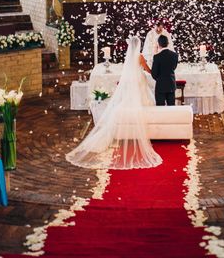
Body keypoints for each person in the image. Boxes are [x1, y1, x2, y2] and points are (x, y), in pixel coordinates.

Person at [66, 36, 161, 170]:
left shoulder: (129, 56)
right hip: (138, 79)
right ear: (138, 45)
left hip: (129, 80)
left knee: (127, 99)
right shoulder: (139, 56)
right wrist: (154, 70)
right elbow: (147, 69)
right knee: (143, 97)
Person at [149, 35, 178, 106]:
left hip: (160, 86)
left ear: (158, 44)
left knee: (160, 109)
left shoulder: (157, 57)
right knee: (171, 108)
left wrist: (159, 78)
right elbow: (173, 67)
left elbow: (154, 74)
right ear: (168, 43)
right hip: (171, 85)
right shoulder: (175, 55)